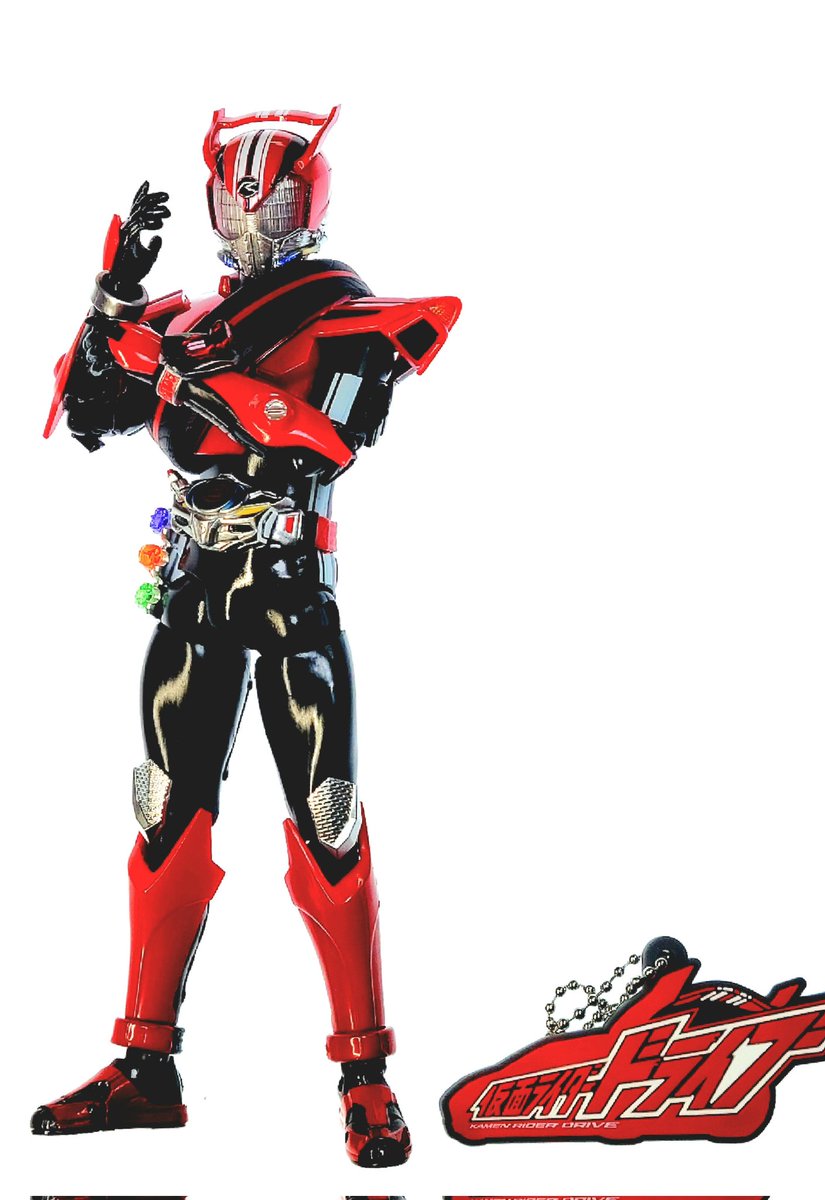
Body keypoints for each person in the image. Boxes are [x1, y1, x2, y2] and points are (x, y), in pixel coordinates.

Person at [32, 106, 460, 1169]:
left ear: (307, 201)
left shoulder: (346, 317)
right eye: (233, 196)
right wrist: (114, 300)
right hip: (191, 596)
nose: (248, 215)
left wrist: (173, 371)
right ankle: (146, 1067)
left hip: (290, 598)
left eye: (268, 197)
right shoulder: (183, 319)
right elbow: (86, 416)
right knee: (163, 821)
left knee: (329, 827)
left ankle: (365, 1077)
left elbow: (314, 447)